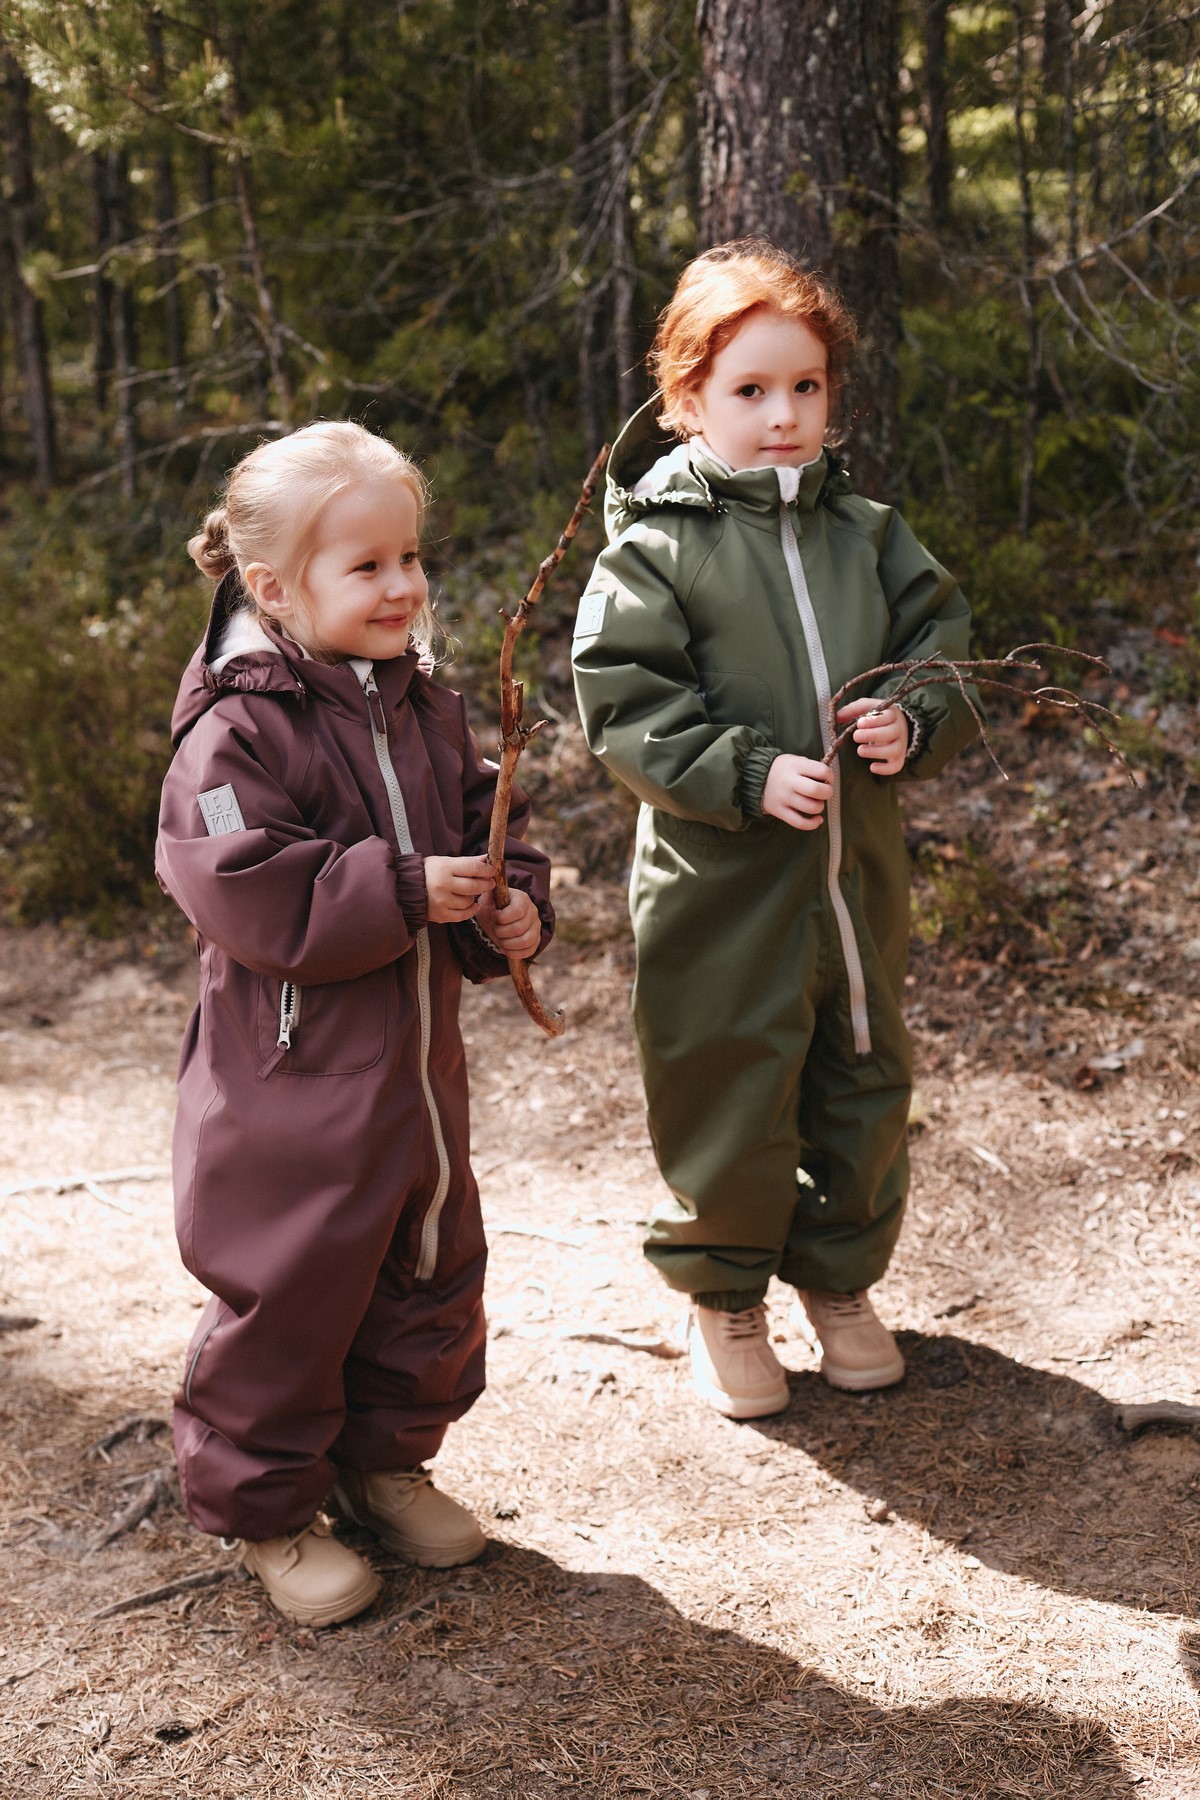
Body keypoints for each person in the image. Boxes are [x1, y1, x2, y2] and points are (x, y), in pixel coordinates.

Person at [571, 241, 978, 1420]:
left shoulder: (868, 533)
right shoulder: (657, 547)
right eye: (750, 390)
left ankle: (839, 1281)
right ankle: (725, 1298)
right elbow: (625, 706)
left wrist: (912, 716)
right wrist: (745, 773)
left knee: (864, 1071)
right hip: (722, 887)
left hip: (856, 882)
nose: (784, 414)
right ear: (687, 399)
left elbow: (939, 643)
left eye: (806, 386)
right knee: (728, 1080)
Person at [157, 422, 553, 1624]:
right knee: (292, 1288)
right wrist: (400, 888)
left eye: (411, 557)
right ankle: (269, 1512)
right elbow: (239, 884)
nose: (403, 586)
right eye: (368, 566)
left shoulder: (423, 705)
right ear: (275, 590)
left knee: (427, 1264)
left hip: (418, 1077)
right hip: (291, 1085)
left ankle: (384, 1466)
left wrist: (510, 905)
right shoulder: (236, 730)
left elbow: (485, 823)